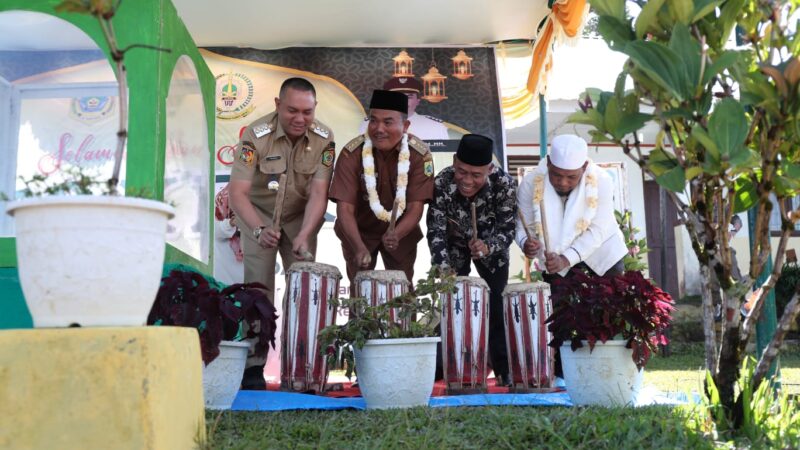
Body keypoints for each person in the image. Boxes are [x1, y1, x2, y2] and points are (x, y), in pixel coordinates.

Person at [229, 77, 335, 390]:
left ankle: (301, 366)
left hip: (301, 218)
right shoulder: (255, 135)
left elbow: (319, 193)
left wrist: (306, 234)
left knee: (304, 289)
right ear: (277, 105)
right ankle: (253, 366)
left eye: (307, 111)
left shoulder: (324, 137)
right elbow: (238, 192)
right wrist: (259, 229)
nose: (300, 119)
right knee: (258, 291)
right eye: (292, 111)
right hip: (259, 215)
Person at [516, 134, 628, 378]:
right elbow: (521, 224)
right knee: (560, 316)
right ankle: (564, 376)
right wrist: (527, 243)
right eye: (557, 175)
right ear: (548, 164)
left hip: (602, 256)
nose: (563, 182)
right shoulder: (530, 182)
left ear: (584, 167)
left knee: (604, 315)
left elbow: (597, 230)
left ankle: (604, 373)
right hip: (555, 258)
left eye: (571, 177)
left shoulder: (601, 181)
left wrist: (567, 258)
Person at [426, 134, 518, 386]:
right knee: (454, 304)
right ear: (454, 161)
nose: (467, 181)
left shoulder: (506, 185)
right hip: (455, 246)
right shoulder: (442, 182)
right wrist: (443, 268)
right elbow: (435, 231)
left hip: (491, 249)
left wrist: (488, 247)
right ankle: (453, 367)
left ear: (489, 169)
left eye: (476, 175)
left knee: (497, 306)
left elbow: (508, 229)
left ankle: (503, 370)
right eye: (461, 171)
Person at [329, 89, 434, 289]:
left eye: (388, 122)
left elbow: (415, 208)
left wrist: (398, 233)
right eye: (373, 120)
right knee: (360, 294)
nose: (378, 128)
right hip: (358, 233)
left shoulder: (419, 154)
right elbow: (345, 209)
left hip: (401, 234)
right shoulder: (351, 153)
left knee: (401, 294)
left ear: (405, 125)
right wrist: (358, 246)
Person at [359, 77, 449, 140]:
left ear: (418, 101)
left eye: (409, 96)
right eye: (397, 96)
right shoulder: (368, 124)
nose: (403, 101)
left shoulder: (435, 127)